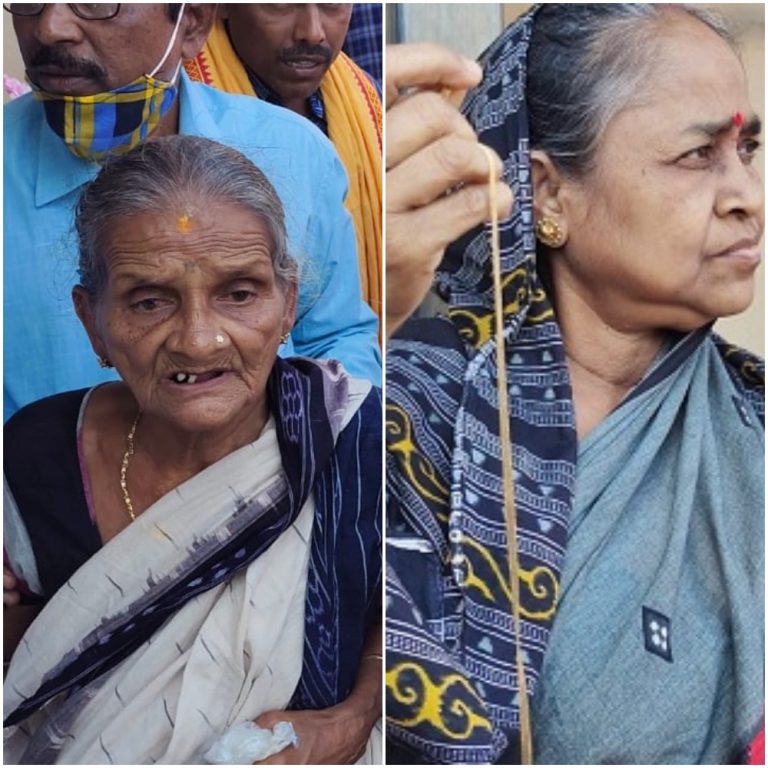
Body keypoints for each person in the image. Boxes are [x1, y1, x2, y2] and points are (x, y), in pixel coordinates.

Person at [385, 5, 763, 765]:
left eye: (748, 148)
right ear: (548, 194)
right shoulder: (409, 415)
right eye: (698, 156)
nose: (747, 195)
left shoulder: (752, 423)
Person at [3, 135, 382, 765]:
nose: (200, 341)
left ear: (288, 304)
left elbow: (413, 620)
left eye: (240, 293)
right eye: (149, 301)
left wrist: (351, 720)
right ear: (91, 319)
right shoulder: (33, 457)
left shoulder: (360, 438)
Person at [3, 2, 380, 422]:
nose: (51, 27)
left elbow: (336, 339)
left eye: (96, 2)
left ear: (192, 23)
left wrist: (317, 456)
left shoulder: (295, 152)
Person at [186, 4, 382, 333]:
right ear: (217, 8)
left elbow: (343, 332)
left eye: (333, 4)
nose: (313, 31)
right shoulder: (179, 114)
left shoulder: (368, 101)